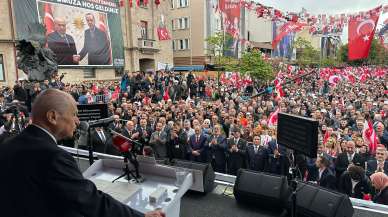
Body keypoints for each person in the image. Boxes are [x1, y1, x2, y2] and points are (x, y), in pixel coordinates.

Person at [0, 89, 164, 217]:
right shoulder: (53, 156)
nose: (77, 121)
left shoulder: (7, 146)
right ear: (52, 117)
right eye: (73, 115)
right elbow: (92, 203)